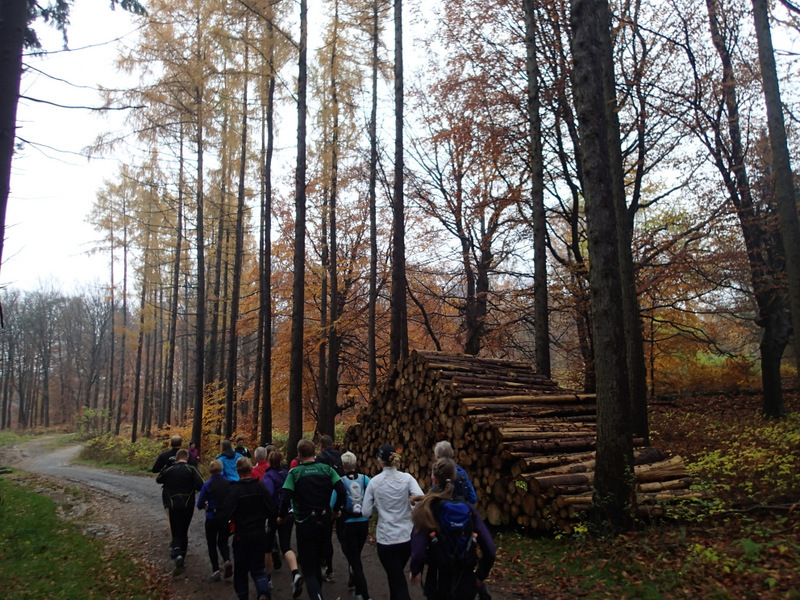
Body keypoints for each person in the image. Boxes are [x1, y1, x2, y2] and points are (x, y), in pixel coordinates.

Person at [409, 458, 495, 600]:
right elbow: (490, 549)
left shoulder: (426, 508)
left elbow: (418, 551)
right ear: (455, 479)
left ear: (434, 480)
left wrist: (415, 570)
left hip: (437, 580)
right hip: (465, 580)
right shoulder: (468, 509)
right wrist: (480, 575)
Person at [279, 438, 346, 600]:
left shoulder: (294, 473)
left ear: (299, 454)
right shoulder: (327, 470)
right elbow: (342, 490)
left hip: (304, 523)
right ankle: (319, 592)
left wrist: (281, 517)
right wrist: (335, 510)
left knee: (309, 570)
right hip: (324, 522)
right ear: (315, 453)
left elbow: (285, 497)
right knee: (317, 563)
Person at [362, 443, 424, 600]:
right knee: (394, 577)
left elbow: (366, 512)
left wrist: (378, 505)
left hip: (387, 540)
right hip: (406, 539)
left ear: (380, 461)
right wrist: (410, 506)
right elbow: (421, 500)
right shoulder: (407, 478)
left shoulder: (374, 482)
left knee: (397, 579)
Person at [220, 457, 274, 600]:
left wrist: (226, 530)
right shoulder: (260, 487)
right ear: (251, 469)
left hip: (241, 536)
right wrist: (270, 526)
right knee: (258, 569)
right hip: (259, 534)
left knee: (241, 572)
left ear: (238, 471)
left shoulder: (235, 490)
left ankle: (243, 597)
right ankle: (263, 592)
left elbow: (226, 514)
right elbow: (272, 509)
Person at [156, 448, 204, 575]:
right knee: (184, 530)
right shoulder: (191, 469)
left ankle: (177, 554)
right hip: (188, 503)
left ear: (176, 458)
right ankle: (181, 559)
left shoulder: (169, 470)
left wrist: (167, 467)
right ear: (187, 458)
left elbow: (159, 479)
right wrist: (193, 488)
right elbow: (201, 484)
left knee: (176, 529)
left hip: (173, 504)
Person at [262, 448, 304, 598]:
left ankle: (267, 580)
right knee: (286, 545)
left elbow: (268, 494)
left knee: (267, 547)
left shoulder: (268, 476)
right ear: (281, 461)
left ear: (269, 461)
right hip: (289, 513)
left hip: (274, 514)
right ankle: (295, 573)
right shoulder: (288, 474)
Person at [334, 451, 371, 600]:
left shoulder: (340, 481)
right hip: (363, 523)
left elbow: (332, 502)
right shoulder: (365, 479)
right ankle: (355, 581)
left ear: (343, 465)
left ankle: (363, 594)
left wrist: (334, 512)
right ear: (356, 464)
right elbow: (372, 494)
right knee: (355, 555)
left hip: (347, 524)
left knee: (355, 560)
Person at [196, 459, 233, 581]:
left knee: (211, 544)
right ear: (221, 469)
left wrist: (205, 505)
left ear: (210, 470)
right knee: (223, 541)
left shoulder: (207, 485)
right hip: (224, 517)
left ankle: (216, 570)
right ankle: (227, 560)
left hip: (212, 517)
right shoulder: (229, 483)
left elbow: (199, 504)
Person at [315, 434, 343, 582]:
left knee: (324, 537)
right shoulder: (341, 456)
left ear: (321, 446)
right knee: (341, 536)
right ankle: (349, 567)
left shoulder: (321, 458)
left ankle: (326, 566)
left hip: (326, 500)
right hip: (342, 497)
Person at [432, 440, 477, 506]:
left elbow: (434, 500)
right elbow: (473, 498)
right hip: (463, 513)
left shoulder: (438, 474)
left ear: (437, 457)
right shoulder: (461, 472)